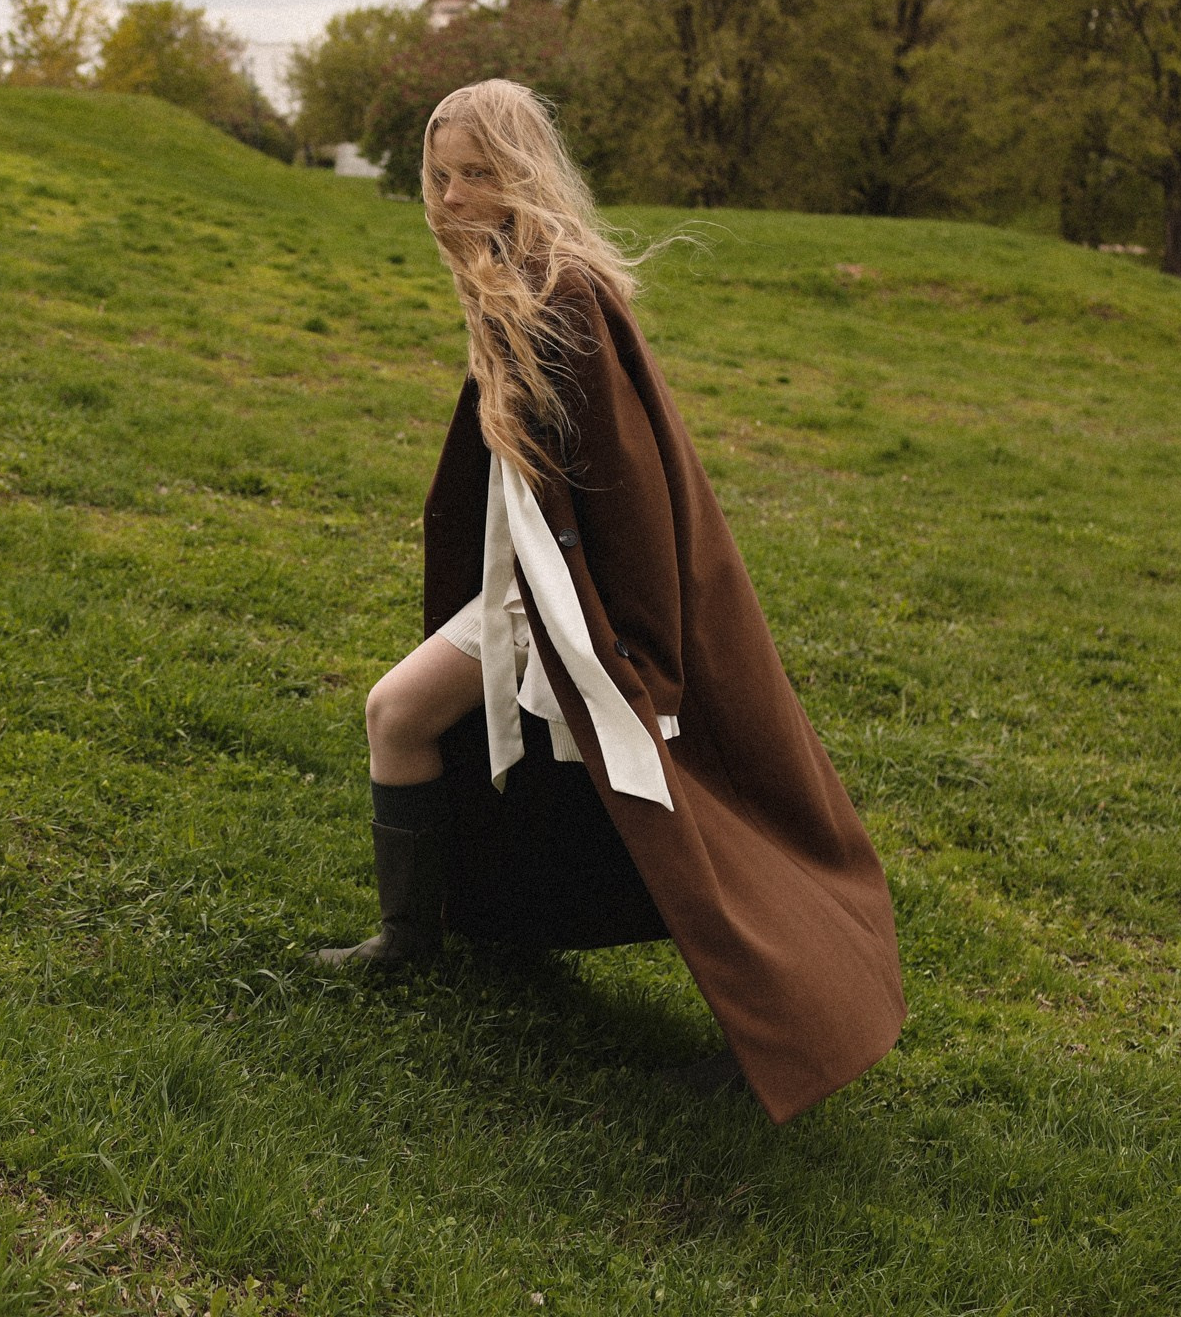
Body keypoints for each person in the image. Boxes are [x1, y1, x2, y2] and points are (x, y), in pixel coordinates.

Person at [313, 80, 905, 1124]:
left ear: (523, 172)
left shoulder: (564, 293)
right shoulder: (511, 279)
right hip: (533, 594)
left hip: (603, 613)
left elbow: (632, 483)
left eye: (477, 174)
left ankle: (775, 1024)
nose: (452, 198)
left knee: (676, 811)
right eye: (439, 176)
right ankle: (411, 941)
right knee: (399, 711)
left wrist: (637, 649)